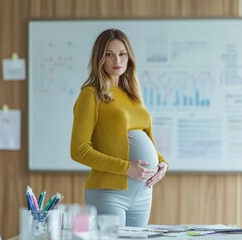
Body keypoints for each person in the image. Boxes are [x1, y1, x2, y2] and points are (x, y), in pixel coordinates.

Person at [70, 28, 168, 227]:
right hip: (108, 194)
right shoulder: (91, 94)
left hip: (142, 193)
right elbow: (78, 150)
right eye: (109, 54)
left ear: (129, 58)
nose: (117, 61)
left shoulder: (132, 95)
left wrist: (161, 162)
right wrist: (126, 168)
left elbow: (147, 139)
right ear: (100, 58)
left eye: (122, 54)